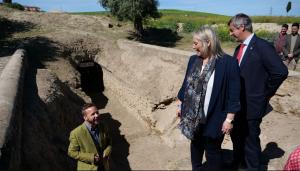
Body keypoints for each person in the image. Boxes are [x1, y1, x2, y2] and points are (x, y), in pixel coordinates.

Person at [228, 13, 288, 170]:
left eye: (232, 30)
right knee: (236, 136)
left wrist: (264, 93)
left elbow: (280, 72)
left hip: (253, 105)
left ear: (241, 27)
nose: (230, 33)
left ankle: (252, 167)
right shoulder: (238, 48)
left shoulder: (262, 46)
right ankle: (238, 162)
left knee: (250, 140)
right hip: (237, 104)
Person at [176, 26, 241, 171]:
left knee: (213, 151)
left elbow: (234, 94)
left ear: (208, 42)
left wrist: (229, 119)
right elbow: (185, 86)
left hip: (215, 117)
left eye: (196, 43)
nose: (193, 47)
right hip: (192, 116)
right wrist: (180, 105)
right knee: (195, 145)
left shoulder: (228, 63)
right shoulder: (193, 60)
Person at [68, 103, 112, 171]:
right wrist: (91, 157)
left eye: (97, 112)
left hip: (104, 167)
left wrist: (107, 151)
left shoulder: (103, 126)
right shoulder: (76, 133)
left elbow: (109, 142)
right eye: (93, 114)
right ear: (85, 117)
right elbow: (71, 152)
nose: (97, 115)